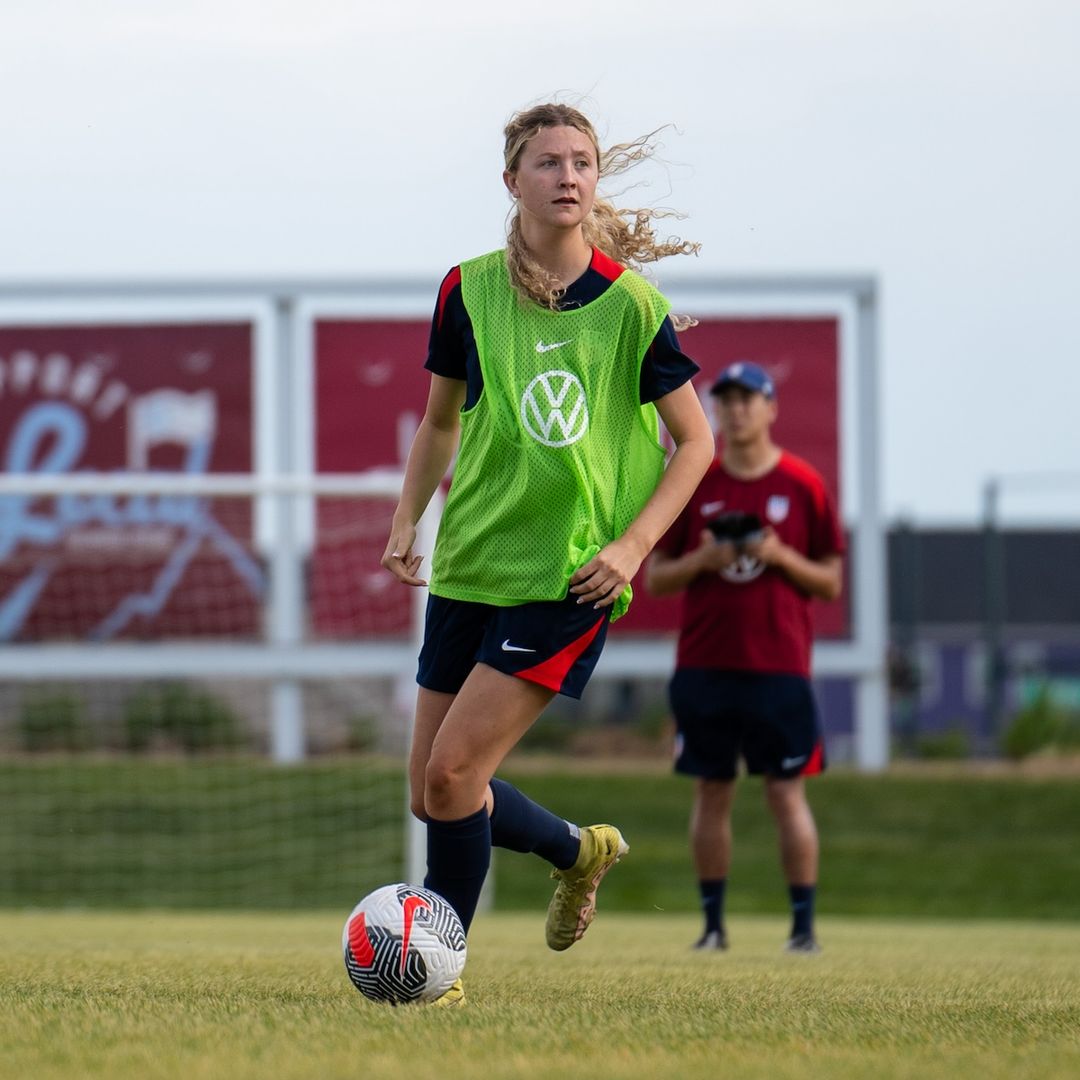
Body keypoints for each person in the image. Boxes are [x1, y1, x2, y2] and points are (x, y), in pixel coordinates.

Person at [381, 102, 714, 1005]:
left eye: (582, 162)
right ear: (511, 181)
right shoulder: (467, 289)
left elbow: (696, 444)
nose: (568, 175)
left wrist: (634, 546)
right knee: (431, 791)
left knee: (455, 776)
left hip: (568, 578)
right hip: (471, 566)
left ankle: (433, 972)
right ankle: (577, 849)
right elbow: (441, 419)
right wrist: (409, 518)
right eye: (548, 162)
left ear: (595, 182)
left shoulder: (632, 305)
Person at [644, 360, 844, 954]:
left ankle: (803, 929)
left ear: (770, 407)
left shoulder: (803, 483)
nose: (735, 411)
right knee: (712, 790)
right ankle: (712, 927)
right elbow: (657, 576)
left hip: (780, 667)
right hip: (706, 664)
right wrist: (703, 561)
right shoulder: (697, 479)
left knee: (786, 792)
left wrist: (779, 555)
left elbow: (831, 581)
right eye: (725, 401)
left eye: (747, 400)